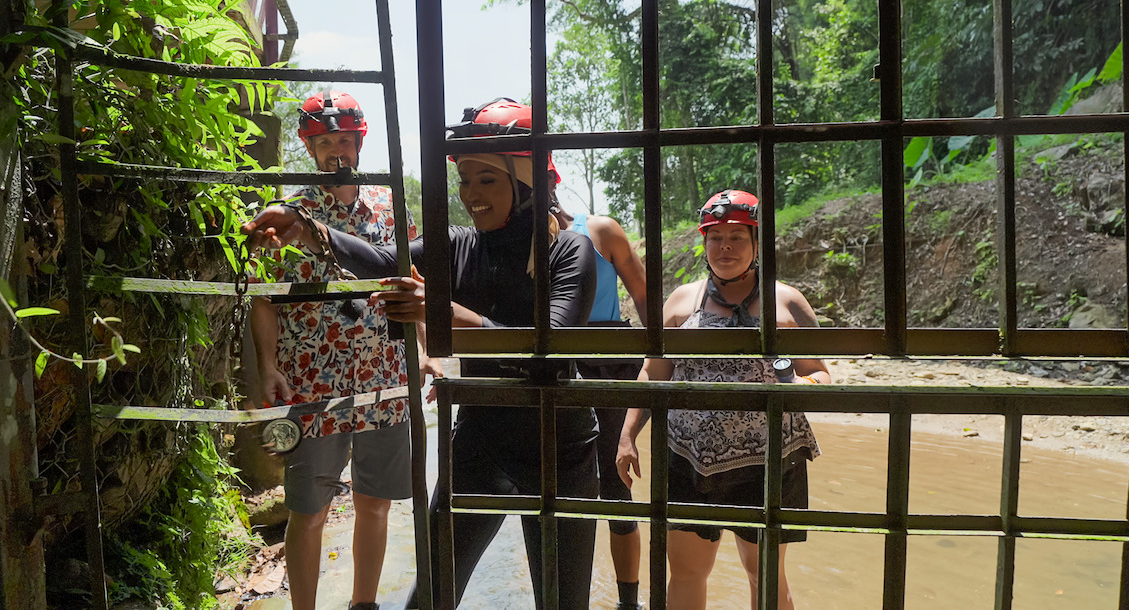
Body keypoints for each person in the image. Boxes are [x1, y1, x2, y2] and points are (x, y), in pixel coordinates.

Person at [243, 97, 600, 609]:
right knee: (431, 597)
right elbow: (382, 261)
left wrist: (438, 309)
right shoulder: (459, 245)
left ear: (527, 185)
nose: (470, 195)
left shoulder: (569, 251)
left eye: (487, 181)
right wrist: (308, 230)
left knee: (561, 602)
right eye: (466, 182)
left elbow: (546, 344)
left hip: (558, 447)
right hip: (481, 437)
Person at [615, 189, 827, 610]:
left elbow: (818, 371)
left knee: (764, 575)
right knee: (687, 573)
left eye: (737, 237)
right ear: (704, 243)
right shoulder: (681, 301)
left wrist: (803, 388)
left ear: (756, 244)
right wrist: (626, 436)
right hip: (687, 457)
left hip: (769, 460)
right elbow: (652, 374)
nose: (725, 246)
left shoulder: (786, 301)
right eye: (715, 238)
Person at [250, 91, 416, 610]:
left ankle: (363, 604)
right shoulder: (287, 217)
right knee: (309, 510)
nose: (336, 150)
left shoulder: (392, 210)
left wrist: (425, 355)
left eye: (345, 139)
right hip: (311, 382)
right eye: (325, 142)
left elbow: (411, 288)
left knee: (375, 504)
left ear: (360, 141)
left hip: (384, 378)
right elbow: (264, 298)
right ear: (310, 147)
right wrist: (268, 367)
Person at [549, 179, 649, 610]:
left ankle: (629, 601)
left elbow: (643, 293)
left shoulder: (601, 231)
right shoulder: (515, 243)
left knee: (616, 486)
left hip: (608, 358)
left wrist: (657, 361)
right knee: (557, 486)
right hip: (553, 360)